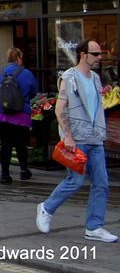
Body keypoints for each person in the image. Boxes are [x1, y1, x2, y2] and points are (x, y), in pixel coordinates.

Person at [36, 40, 117, 243]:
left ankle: (94, 227)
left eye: (100, 54)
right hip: (77, 139)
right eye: (96, 54)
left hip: (95, 138)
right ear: (83, 54)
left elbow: (93, 105)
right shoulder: (69, 77)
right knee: (76, 181)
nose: (100, 58)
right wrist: (69, 136)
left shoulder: (96, 79)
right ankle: (46, 208)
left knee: (102, 183)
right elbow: (59, 108)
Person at [0, 47, 39, 183]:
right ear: (19, 58)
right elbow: (34, 91)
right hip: (21, 115)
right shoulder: (27, 73)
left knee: (5, 144)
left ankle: (5, 174)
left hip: (2, 115)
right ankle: (23, 170)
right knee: (21, 144)